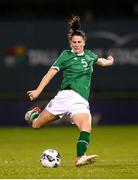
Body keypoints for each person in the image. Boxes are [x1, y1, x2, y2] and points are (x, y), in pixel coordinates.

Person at [25, 15, 114, 167]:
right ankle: (33, 115)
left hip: (80, 101)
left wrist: (110, 61)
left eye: (79, 42)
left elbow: (102, 62)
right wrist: (38, 91)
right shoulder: (65, 56)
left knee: (86, 127)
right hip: (65, 96)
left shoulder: (90, 55)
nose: (77, 45)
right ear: (70, 43)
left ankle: (80, 157)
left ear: (84, 42)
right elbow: (50, 73)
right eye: (74, 42)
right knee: (35, 125)